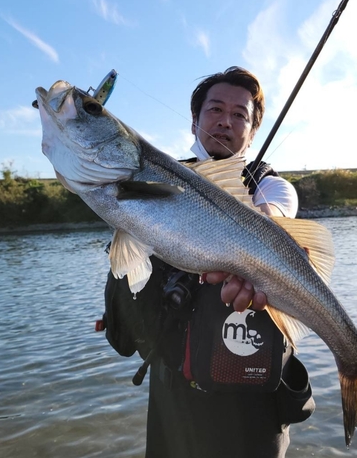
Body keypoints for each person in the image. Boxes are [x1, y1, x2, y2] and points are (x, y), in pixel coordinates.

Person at [103, 67, 315, 458]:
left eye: (241, 115)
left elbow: (273, 215)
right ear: (195, 122)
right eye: (215, 109)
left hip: (253, 399)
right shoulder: (155, 178)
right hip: (173, 396)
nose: (226, 121)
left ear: (252, 133)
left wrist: (260, 239)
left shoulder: (271, 186)